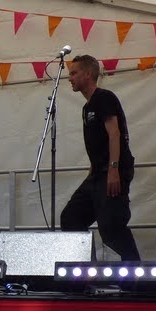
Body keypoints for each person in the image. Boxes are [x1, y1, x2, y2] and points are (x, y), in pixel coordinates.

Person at [60, 54, 141, 260]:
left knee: (111, 226)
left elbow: (114, 133)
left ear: (88, 74)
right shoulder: (87, 107)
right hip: (97, 174)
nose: (70, 78)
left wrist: (113, 169)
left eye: (74, 73)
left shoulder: (104, 97)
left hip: (112, 170)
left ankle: (135, 271)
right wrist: (92, 173)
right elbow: (96, 145)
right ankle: (87, 270)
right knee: (71, 218)